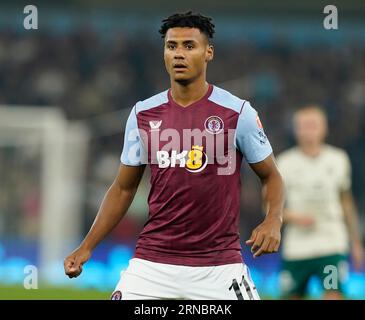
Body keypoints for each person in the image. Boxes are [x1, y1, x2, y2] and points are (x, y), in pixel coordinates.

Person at [64, 11, 284, 300]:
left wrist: (274, 220)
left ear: (209, 53)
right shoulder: (142, 114)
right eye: (172, 46)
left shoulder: (237, 113)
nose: (179, 54)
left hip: (218, 267)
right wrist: (87, 245)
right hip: (152, 264)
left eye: (189, 46)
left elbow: (271, 176)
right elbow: (123, 188)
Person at [277, 105, 364, 300]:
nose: (309, 130)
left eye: (313, 125)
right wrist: (294, 217)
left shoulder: (338, 159)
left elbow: (346, 203)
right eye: (304, 125)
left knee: (334, 294)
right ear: (296, 129)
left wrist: (356, 243)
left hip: (331, 242)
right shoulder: (284, 163)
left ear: (324, 128)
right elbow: (269, 207)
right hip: (297, 247)